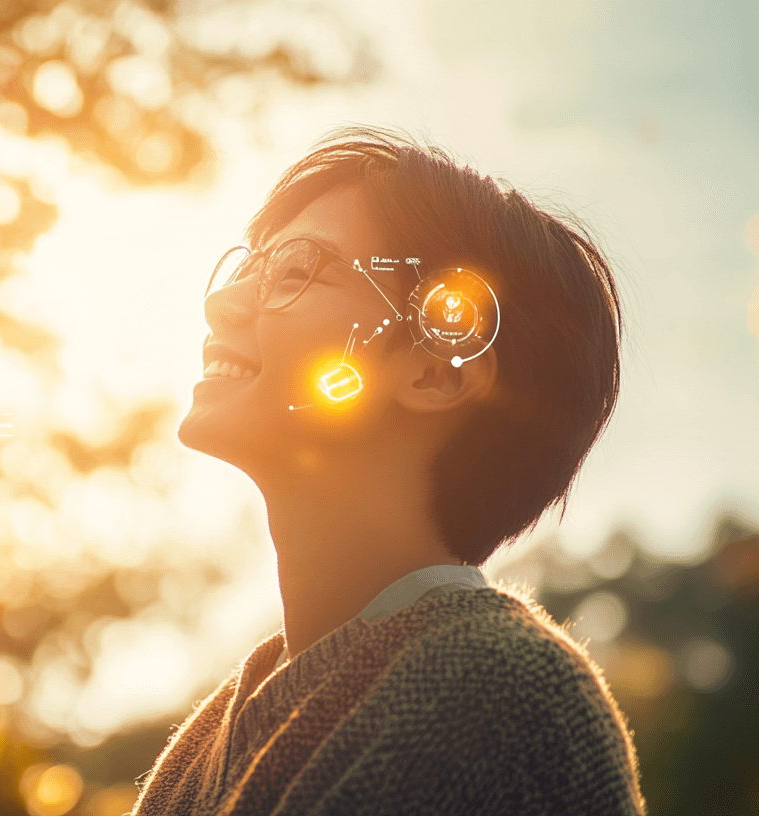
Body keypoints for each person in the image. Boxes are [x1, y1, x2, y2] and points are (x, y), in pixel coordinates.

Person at [132, 128, 645, 815]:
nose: (221, 305)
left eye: (294, 270)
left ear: (434, 371)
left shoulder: (498, 696)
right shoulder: (215, 730)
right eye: (247, 270)